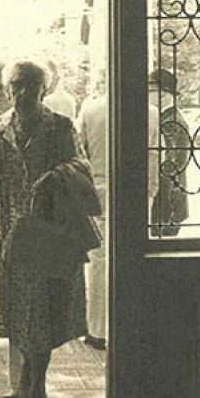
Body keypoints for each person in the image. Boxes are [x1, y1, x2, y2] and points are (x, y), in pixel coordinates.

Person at [0, 61, 92, 398]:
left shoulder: (61, 127)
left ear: (44, 89)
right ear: (7, 88)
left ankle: (38, 387)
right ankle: (26, 380)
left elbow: (82, 166)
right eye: (16, 85)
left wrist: (55, 175)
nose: (22, 92)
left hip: (50, 233)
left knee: (42, 310)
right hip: (12, 233)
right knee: (19, 310)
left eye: (30, 85)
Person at [76, 90, 109, 349]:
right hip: (135, 192)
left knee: (98, 261)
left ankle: (97, 329)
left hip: (98, 190)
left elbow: (78, 155)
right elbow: (155, 162)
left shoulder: (90, 110)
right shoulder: (151, 113)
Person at [151, 69, 190, 235]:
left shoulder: (171, 122)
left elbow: (169, 163)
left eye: (150, 92)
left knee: (162, 247)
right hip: (169, 197)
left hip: (167, 199)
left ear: (162, 94)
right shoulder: (167, 117)